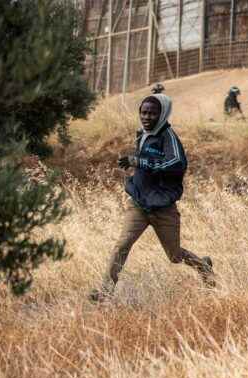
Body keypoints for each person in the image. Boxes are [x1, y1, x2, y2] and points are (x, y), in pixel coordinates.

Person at [90, 94, 216, 302]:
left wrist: (140, 163)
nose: (146, 117)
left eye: (152, 113)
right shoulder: (143, 134)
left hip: (163, 208)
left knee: (174, 256)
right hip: (139, 205)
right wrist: (135, 169)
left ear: (162, 114)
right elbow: (144, 162)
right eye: (143, 112)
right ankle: (105, 291)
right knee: (122, 245)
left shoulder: (169, 138)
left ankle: (203, 265)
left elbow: (176, 164)